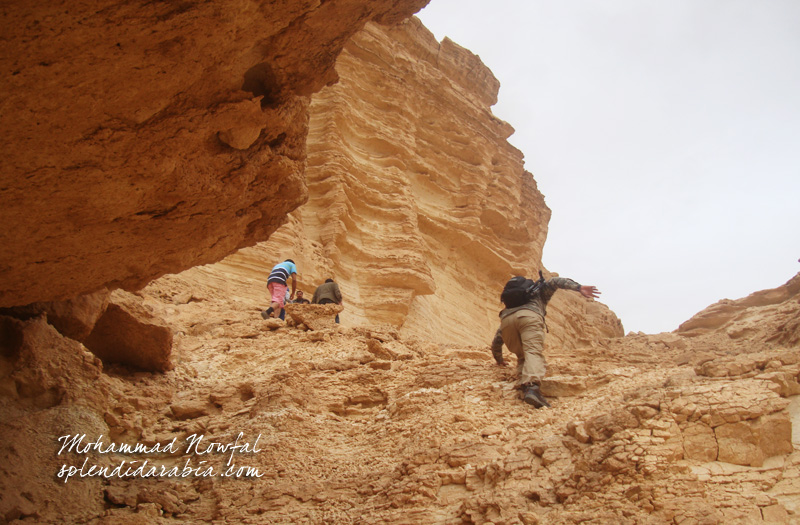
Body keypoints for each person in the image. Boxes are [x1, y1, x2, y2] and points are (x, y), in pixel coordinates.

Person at [491, 273, 600, 409]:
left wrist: (498, 359)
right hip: (529, 317)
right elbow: (555, 281)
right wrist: (578, 287)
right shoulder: (539, 292)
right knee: (532, 352)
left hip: (506, 322)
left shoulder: (509, 307)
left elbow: (497, 339)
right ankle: (532, 387)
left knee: (523, 356)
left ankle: (524, 387)